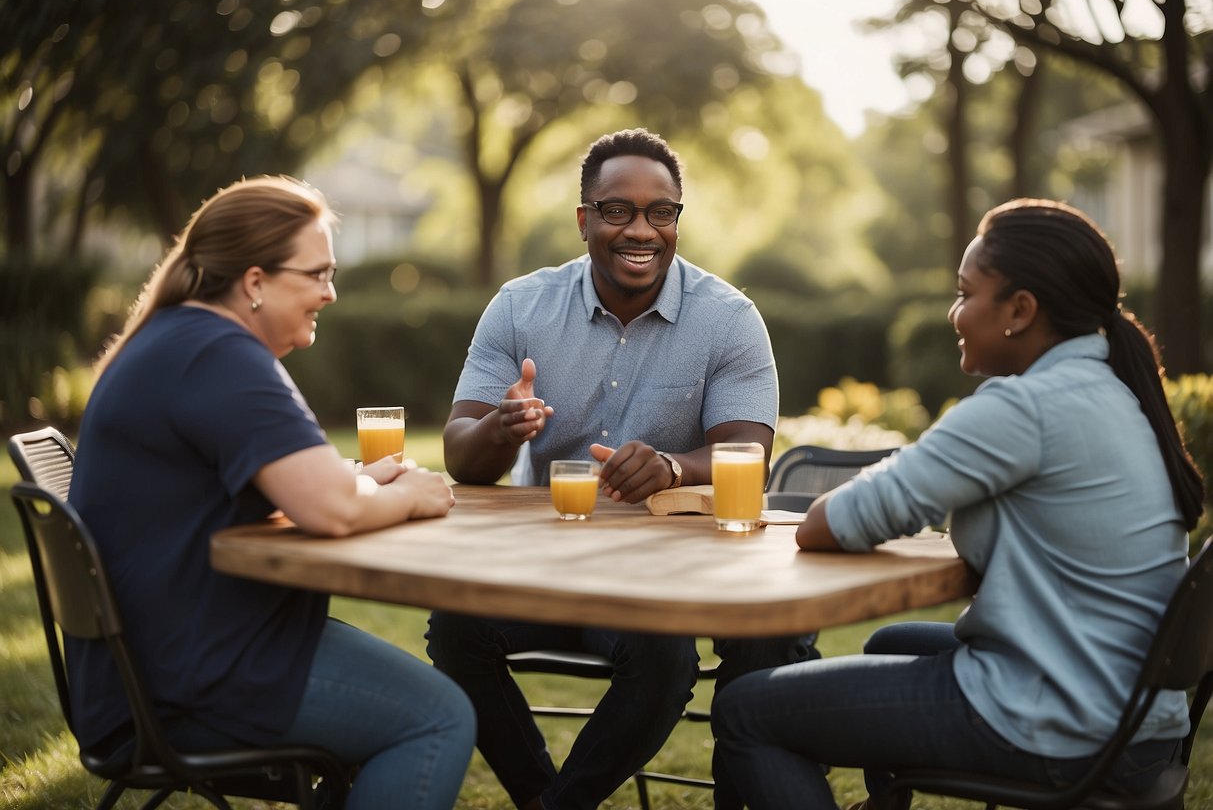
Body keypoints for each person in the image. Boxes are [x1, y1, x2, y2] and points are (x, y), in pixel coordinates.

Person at [712, 198, 1206, 810]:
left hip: (1062, 721)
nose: (954, 312)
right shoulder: (1111, 389)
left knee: (745, 709)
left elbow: (826, 524)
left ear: (1020, 310)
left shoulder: (1024, 408)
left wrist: (899, 478)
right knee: (891, 644)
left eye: (965, 293)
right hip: (1133, 714)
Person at [428, 127, 815, 810]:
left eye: (660, 212)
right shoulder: (520, 307)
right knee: (456, 630)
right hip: (552, 568)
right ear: (584, 220)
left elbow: (746, 458)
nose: (641, 229)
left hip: (664, 582)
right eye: (617, 210)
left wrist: (669, 466)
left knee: (665, 659)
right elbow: (462, 454)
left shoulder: (727, 319)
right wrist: (499, 426)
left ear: (675, 220)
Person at [68, 176, 476, 810]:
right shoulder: (218, 355)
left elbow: (297, 485)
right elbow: (330, 509)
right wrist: (417, 495)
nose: (331, 292)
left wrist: (363, 480)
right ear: (255, 282)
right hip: (187, 680)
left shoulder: (180, 340)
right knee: (438, 716)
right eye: (316, 274)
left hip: (165, 657)